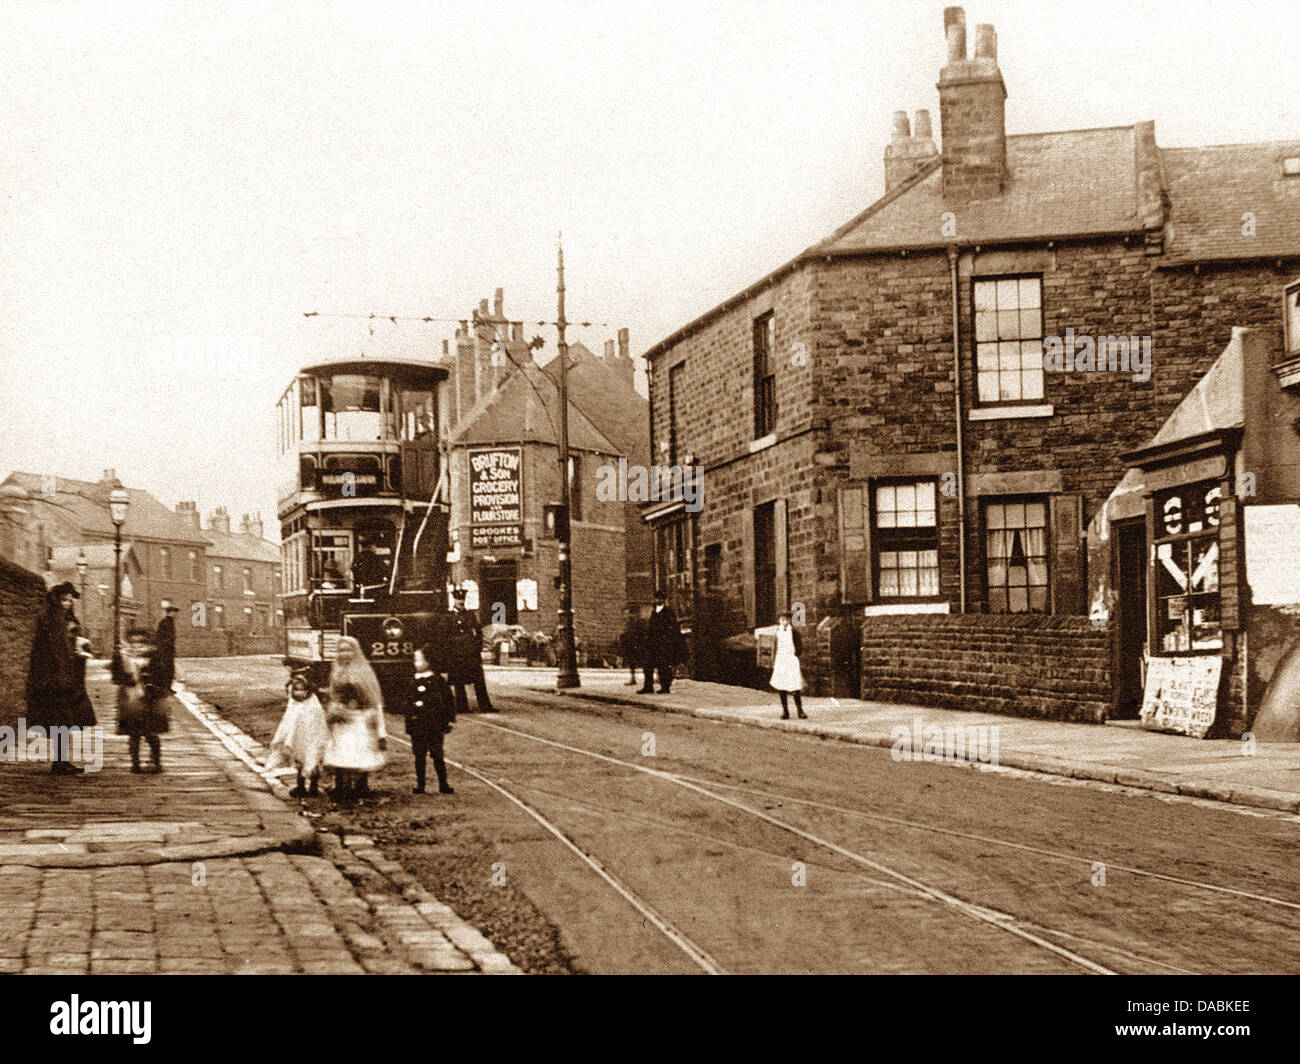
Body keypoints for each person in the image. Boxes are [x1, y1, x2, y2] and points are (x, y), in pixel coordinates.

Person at [26, 583, 96, 775]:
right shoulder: (53, 619)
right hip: (55, 678)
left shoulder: (63, 618)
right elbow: (55, 651)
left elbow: (66, 645)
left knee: (64, 721)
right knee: (61, 720)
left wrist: (79, 646)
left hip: (65, 674)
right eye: (64, 599)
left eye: (70, 599)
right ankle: (60, 762)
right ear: (56, 599)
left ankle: (62, 761)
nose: (68, 602)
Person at [322, 636, 386, 800]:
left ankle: (360, 786)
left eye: (348, 650)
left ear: (355, 651)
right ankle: (341, 786)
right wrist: (336, 707)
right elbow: (333, 693)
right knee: (341, 750)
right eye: (341, 650)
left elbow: (372, 697)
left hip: (359, 716)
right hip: (341, 717)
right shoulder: (336, 670)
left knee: (359, 750)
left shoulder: (362, 670)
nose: (345, 654)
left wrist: (365, 711)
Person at [111, 627, 171, 773]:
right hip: (130, 697)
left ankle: (156, 762)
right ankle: (135, 763)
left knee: (152, 731)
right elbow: (116, 677)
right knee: (133, 733)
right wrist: (127, 677)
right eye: (133, 641)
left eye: (141, 641)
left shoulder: (155, 655)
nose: (137, 644)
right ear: (128, 642)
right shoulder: (121, 655)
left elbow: (163, 675)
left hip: (151, 698)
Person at [266, 672, 328, 797]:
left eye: (302, 690)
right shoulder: (294, 704)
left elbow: (318, 723)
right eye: (295, 690)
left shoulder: (313, 705)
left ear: (308, 690)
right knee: (300, 764)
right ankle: (301, 787)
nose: (298, 693)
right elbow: (287, 721)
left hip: (312, 740)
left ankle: (313, 787)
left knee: (313, 762)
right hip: (298, 740)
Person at [406, 647, 454, 795]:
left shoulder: (438, 681)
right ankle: (421, 784)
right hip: (418, 725)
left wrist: (449, 720)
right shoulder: (413, 681)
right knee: (419, 756)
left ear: (428, 662)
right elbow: (408, 704)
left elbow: (449, 701)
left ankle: (443, 784)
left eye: (419, 660)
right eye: (415, 660)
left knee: (437, 754)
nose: (416, 663)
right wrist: (409, 724)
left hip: (435, 725)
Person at [448, 587, 496, 713]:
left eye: (462, 599)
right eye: (458, 599)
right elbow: (444, 636)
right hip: (456, 654)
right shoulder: (449, 616)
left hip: (471, 654)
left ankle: (485, 706)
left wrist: (477, 648)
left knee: (479, 680)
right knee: (459, 682)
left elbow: (478, 632)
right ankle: (462, 706)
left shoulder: (470, 615)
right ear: (454, 600)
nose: (461, 601)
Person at [641, 591, 685, 694]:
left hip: (664, 644)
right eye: (656, 598)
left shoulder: (669, 612)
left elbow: (674, 628)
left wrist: (669, 641)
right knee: (648, 665)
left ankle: (665, 687)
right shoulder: (653, 611)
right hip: (652, 643)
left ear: (663, 600)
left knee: (664, 667)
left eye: (660, 599)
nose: (658, 600)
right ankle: (648, 686)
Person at [770, 612, 808, 720]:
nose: (784, 622)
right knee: (782, 686)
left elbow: (799, 646)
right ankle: (785, 711)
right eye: (782, 619)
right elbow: (774, 646)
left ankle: (800, 711)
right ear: (779, 620)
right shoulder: (777, 632)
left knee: (795, 685)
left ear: (790, 621)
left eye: (786, 619)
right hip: (781, 660)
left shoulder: (794, 632)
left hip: (791, 660)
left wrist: (795, 655)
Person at [618, 604, 646, 687]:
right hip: (631, 645)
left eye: (626, 614)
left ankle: (654, 677)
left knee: (645, 662)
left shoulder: (637, 622)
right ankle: (633, 678)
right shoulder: (628, 623)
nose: (625, 616)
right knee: (632, 662)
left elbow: (639, 633)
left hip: (638, 644)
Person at [154, 602, 179, 693]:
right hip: (165, 650)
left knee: (169, 669)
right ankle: (165, 687)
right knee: (167, 669)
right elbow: (159, 637)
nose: (176, 614)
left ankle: (167, 687)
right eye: (175, 612)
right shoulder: (165, 622)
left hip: (168, 649)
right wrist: (164, 647)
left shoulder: (168, 622)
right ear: (170, 612)